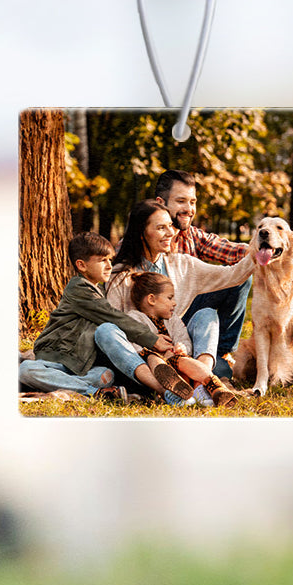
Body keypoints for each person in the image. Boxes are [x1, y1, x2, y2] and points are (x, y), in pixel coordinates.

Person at [20, 231, 194, 403]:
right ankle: (96, 392)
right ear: (81, 265)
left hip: (83, 365)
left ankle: (83, 387)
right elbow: (113, 316)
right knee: (26, 370)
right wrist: (152, 339)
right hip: (58, 360)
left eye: (110, 260)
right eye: (102, 260)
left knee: (105, 374)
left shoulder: (99, 291)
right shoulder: (78, 288)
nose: (109, 266)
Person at [106, 200, 254, 379]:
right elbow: (116, 324)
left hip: (180, 346)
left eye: (170, 226)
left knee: (207, 315)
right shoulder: (120, 275)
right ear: (141, 233)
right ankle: (197, 379)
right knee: (221, 370)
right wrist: (151, 342)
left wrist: (260, 252)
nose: (170, 233)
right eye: (161, 228)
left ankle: (201, 382)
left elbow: (232, 275)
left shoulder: (182, 264)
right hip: (143, 355)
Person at [153, 170, 253, 374]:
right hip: (157, 324)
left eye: (192, 202)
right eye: (181, 201)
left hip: (188, 313)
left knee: (241, 278)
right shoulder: (142, 238)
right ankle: (209, 366)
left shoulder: (191, 235)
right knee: (222, 371)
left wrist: (264, 249)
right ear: (161, 203)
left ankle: (220, 352)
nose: (189, 209)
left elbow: (231, 250)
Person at [125, 271, 239, 408]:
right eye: (170, 298)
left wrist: (182, 347)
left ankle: (207, 389)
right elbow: (134, 344)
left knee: (183, 361)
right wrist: (157, 349)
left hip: (176, 360)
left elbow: (183, 338)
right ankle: (197, 391)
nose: (174, 303)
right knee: (173, 364)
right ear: (151, 299)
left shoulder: (172, 320)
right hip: (155, 365)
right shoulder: (134, 318)